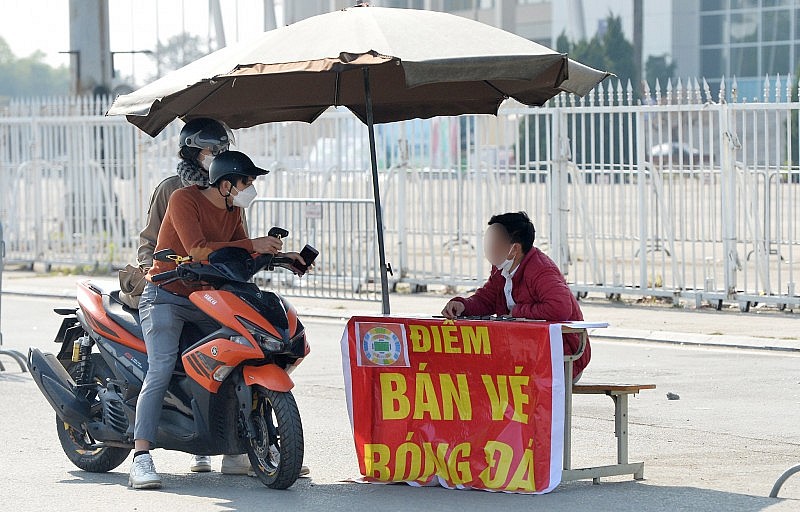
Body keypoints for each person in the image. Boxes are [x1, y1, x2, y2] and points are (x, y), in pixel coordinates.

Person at [128, 151, 306, 489]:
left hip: (207, 297)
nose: (250, 188)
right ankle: (141, 456)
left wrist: (282, 257)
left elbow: (239, 254)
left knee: (240, 352)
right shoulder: (183, 199)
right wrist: (252, 244)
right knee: (161, 367)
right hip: (166, 295)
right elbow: (196, 249)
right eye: (245, 181)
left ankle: (240, 450)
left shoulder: (233, 209)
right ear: (225, 184)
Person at [441, 211, 591, 380]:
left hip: (561, 359)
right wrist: (463, 305)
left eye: (496, 242)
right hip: (524, 355)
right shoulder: (501, 268)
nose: (489, 248)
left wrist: (517, 313)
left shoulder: (541, 270)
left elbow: (560, 308)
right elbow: (487, 299)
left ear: (515, 248)